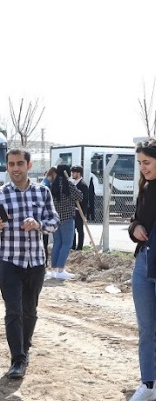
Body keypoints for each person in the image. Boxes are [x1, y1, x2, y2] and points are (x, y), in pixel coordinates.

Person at [0, 148, 58, 380]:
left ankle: (24, 347)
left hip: (35, 261)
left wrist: (38, 224)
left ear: (29, 165)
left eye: (20, 164)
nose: (16, 168)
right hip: (8, 261)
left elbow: (54, 221)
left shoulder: (42, 192)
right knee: (13, 310)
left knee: (30, 311)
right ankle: (17, 359)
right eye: (11, 164)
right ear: (7, 166)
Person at [127, 138, 156, 401]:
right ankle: (148, 384)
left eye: (146, 162)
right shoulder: (145, 187)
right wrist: (134, 228)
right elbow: (136, 219)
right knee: (147, 329)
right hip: (144, 263)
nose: (143, 168)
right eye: (140, 164)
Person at [49, 164, 82, 279]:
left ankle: (54, 270)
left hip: (56, 219)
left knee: (57, 243)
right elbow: (79, 196)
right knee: (66, 244)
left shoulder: (54, 184)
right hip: (67, 217)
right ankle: (61, 269)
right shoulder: (68, 184)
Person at [71, 165, 90, 251]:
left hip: (79, 210)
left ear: (78, 173)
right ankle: (73, 246)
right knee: (72, 229)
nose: (72, 174)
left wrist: (84, 213)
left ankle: (80, 247)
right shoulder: (73, 183)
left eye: (74, 172)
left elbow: (85, 200)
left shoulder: (83, 185)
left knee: (79, 229)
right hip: (72, 210)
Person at [41, 167, 57, 265]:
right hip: (44, 218)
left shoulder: (44, 183)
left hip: (41, 218)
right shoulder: (46, 186)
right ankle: (44, 263)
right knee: (44, 242)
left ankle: (45, 263)